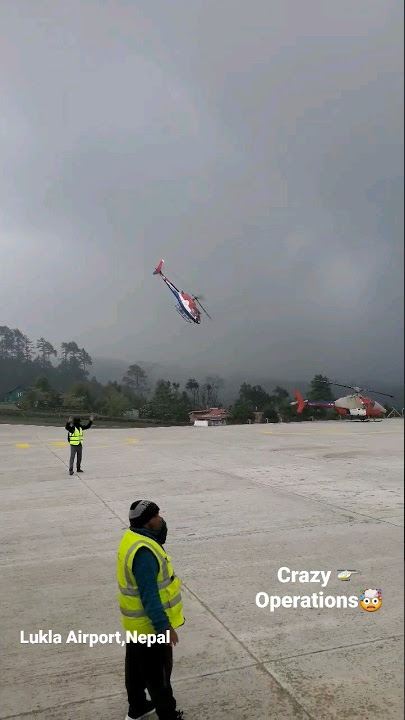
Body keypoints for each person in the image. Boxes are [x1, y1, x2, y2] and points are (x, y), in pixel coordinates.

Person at [117, 500, 185, 720]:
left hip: (135, 625)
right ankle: (168, 716)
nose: (161, 518)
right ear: (147, 522)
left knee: (136, 670)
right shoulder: (144, 554)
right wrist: (164, 627)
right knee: (159, 677)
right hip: (150, 627)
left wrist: (160, 523)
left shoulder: (134, 537)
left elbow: (160, 538)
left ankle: (137, 708)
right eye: (157, 516)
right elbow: (150, 596)